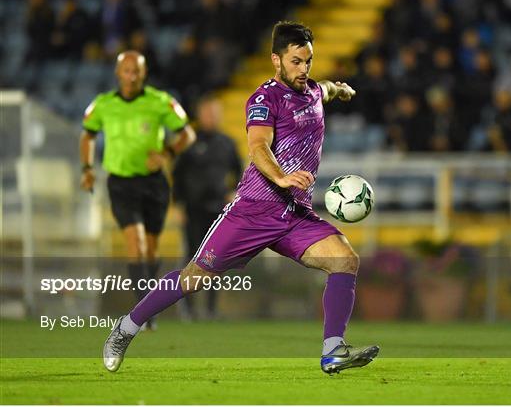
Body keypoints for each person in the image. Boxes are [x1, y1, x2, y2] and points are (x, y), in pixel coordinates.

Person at [103, 21, 379, 375]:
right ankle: (125, 328)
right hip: (253, 211)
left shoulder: (310, 90)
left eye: (308, 61)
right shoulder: (264, 99)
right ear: (276, 60)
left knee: (344, 259)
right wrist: (281, 176)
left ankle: (332, 351)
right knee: (193, 279)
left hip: (294, 215)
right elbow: (258, 145)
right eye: (295, 61)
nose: (303, 69)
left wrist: (336, 89)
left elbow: (319, 90)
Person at [80, 50, 196, 330]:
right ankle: (143, 314)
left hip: (153, 183)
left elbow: (187, 133)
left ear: (144, 73)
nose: (131, 76)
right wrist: (87, 168)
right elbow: (88, 135)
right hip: (120, 183)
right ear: (118, 73)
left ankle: (148, 305)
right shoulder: (103, 104)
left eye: (136, 71)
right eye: (126, 71)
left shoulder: (159, 102)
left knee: (152, 251)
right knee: (137, 244)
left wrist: (167, 152)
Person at [172, 95, 242, 320]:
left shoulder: (228, 143)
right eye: (208, 113)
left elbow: (240, 173)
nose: (211, 117)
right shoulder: (189, 141)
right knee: (192, 258)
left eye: (215, 113)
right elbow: (177, 175)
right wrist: (178, 205)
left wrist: (234, 193)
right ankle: (189, 308)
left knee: (214, 259)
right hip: (193, 209)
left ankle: (210, 309)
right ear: (200, 115)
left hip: (219, 210)